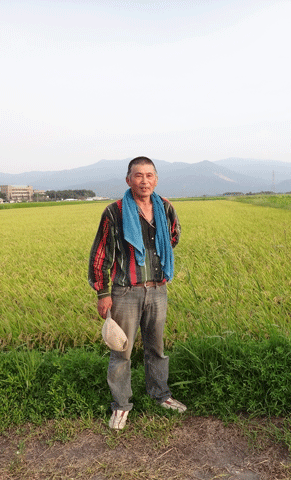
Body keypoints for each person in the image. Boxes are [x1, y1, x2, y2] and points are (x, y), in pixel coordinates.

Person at [88, 156, 187, 430]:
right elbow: (101, 254)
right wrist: (102, 293)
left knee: (156, 348)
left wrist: (170, 226)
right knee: (121, 351)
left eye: (149, 175)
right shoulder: (114, 212)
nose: (144, 181)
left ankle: (161, 395)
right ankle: (121, 405)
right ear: (128, 179)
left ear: (156, 179)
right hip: (125, 292)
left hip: (157, 290)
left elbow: (174, 237)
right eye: (138, 175)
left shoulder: (164, 207)